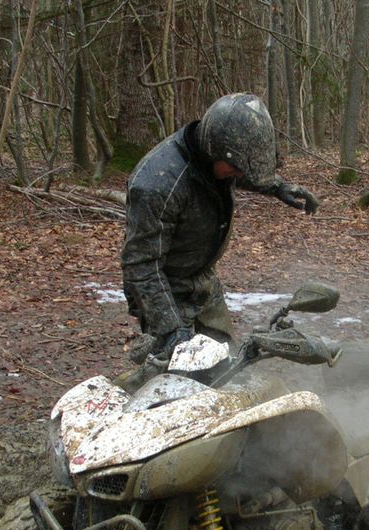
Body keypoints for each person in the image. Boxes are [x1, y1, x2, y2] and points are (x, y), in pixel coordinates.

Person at [118, 93, 318, 385]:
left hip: (203, 282)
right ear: (216, 152)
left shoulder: (216, 159)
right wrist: (172, 329)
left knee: (226, 370)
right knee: (179, 386)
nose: (238, 175)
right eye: (236, 170)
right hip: (166, 292)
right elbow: (141, 265)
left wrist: (276, 186)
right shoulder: (157, 184)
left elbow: (235, 169)